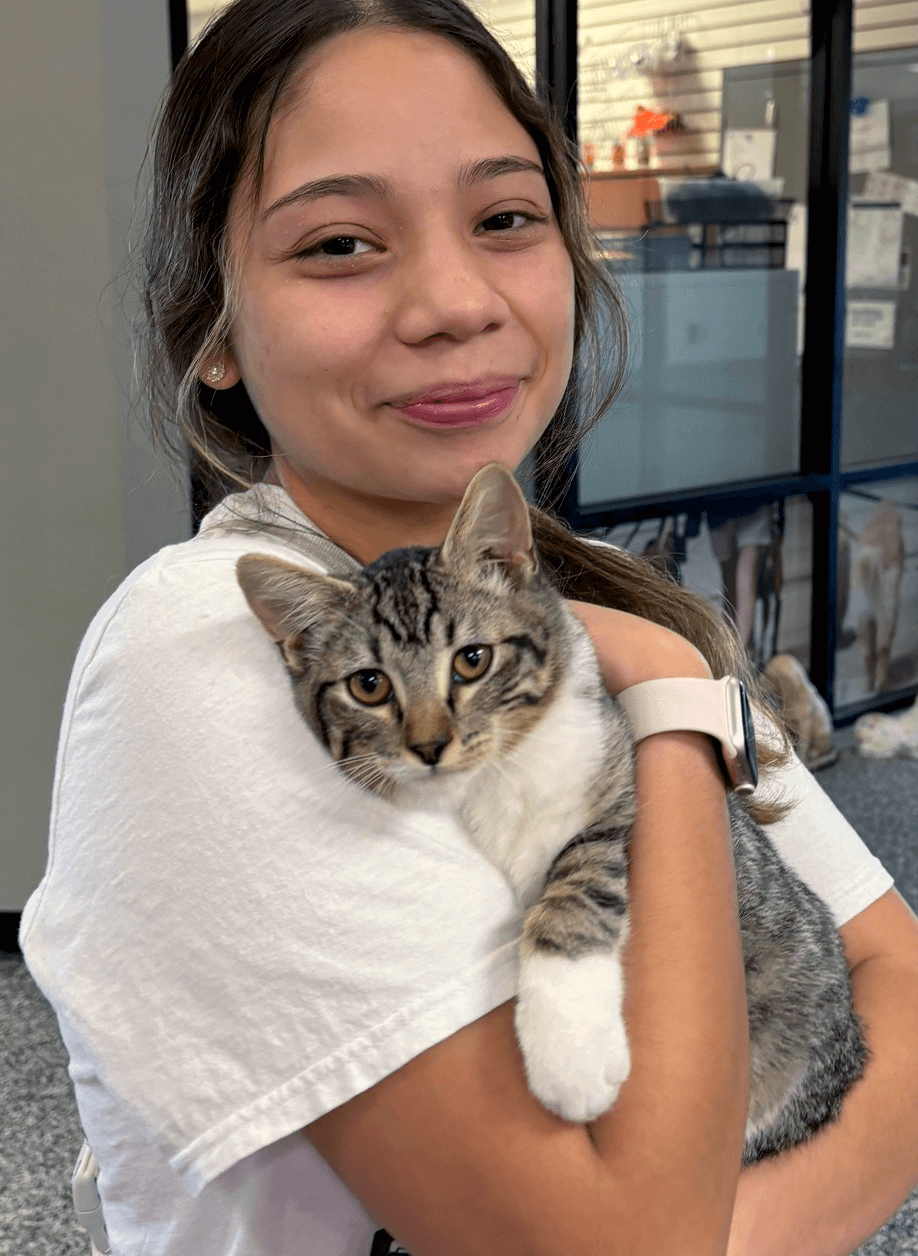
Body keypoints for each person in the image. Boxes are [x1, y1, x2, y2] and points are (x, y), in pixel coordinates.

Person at [18, 3, 918, 1254]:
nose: (453, 300)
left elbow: (902, 981)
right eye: (339, 242)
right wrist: (663, 697)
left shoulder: (595, 582)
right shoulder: (206, 642)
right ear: (213, 328)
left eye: (505, 218)